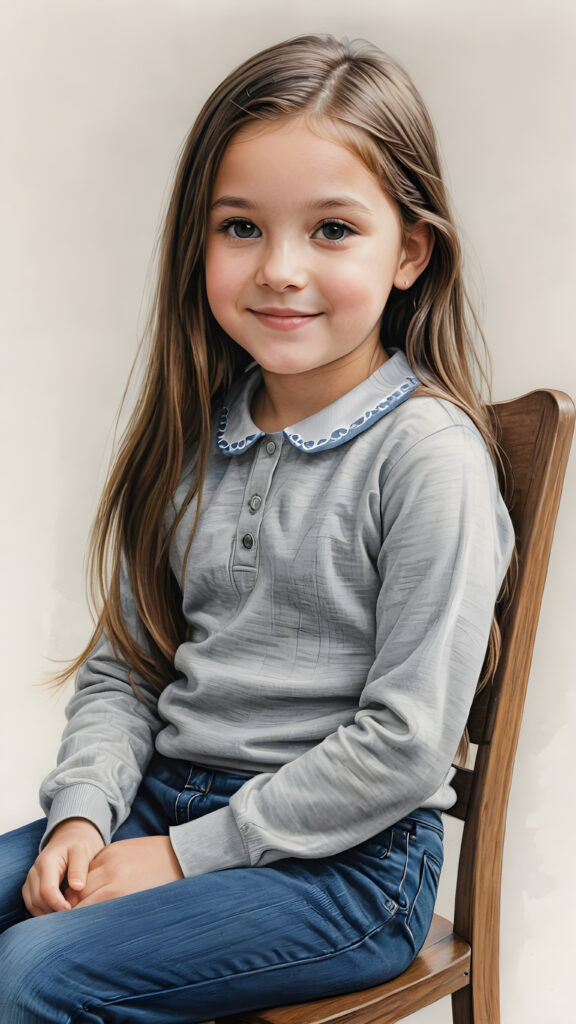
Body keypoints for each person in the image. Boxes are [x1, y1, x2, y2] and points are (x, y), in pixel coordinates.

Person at [0, 33, 514, 1023]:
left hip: (350, 870)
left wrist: (185, 855)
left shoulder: (427, 456)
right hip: (163, 800)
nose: (280, 268)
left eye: (331, 230)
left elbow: (406, 743)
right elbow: (128, 669)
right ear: (200, 241)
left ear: (410, 250)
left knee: (33, 973)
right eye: (242, 227)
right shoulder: (200, 440)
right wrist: (83, 813)